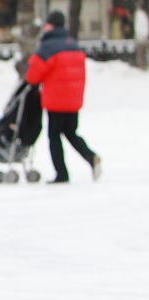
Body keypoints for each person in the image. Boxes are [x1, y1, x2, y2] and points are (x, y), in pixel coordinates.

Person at [25, 11, 102, 184]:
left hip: (55, 99)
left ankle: (62, 173)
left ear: (50, 26)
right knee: (71, 132)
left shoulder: (48, 46)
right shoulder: (72, 43)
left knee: (54, 136)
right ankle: (91, 157)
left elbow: (33, 75)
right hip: (74, 98)